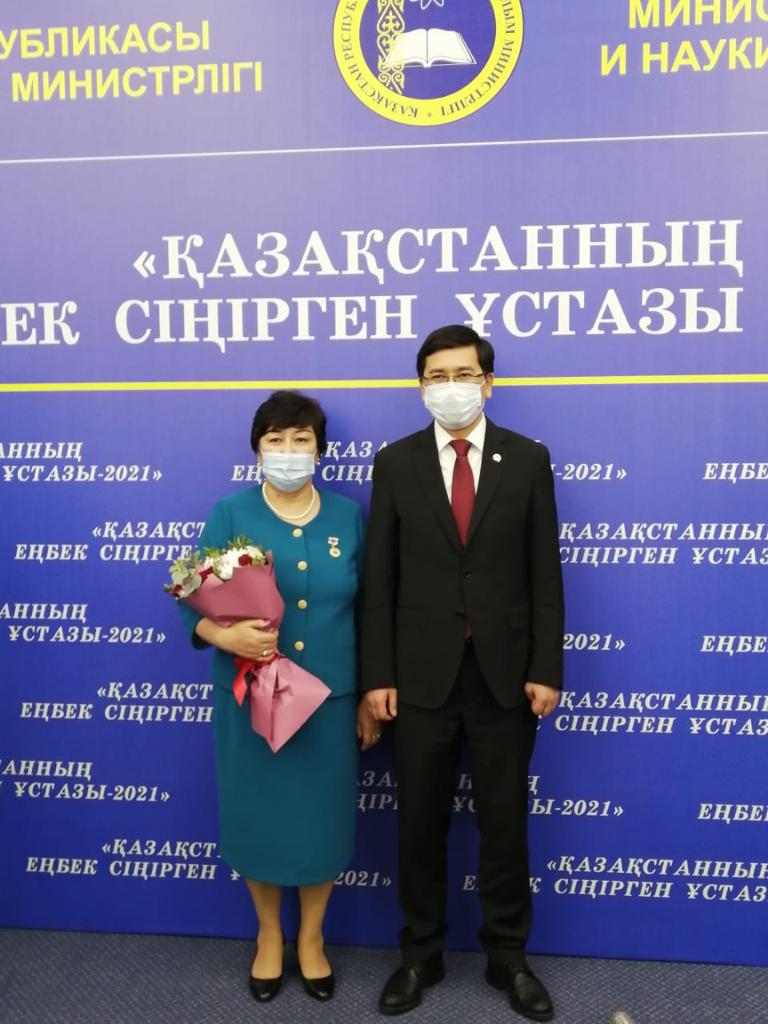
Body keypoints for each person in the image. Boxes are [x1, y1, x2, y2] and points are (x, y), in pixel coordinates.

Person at [361, 325, 564, 1022]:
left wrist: (545, 666)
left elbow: (545, 574)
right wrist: (378, 675)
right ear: (421, 386)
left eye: (464, 373)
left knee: (505, 824)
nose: (451, 386)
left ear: (488, 382)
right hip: (419, 679)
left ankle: (509, 957)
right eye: (437, 375)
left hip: (505, 677)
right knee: (419, 825)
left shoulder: (528, 459)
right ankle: (421, 954)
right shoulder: (396, 463)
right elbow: (380, 580)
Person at [179, 391, 379, 1004]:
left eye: (301, 439)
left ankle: (312, 938)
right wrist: (223, 634)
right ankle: (269, 935)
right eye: (275, 439)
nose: (288, 451)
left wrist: (367, 695)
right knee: (258, 819)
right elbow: (191, 594)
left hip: (329, 702)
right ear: (257, 449)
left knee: (322, 824)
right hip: (251, 698)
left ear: (319, 450)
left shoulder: (348, 516)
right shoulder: (230, 512)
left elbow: (371, 611)